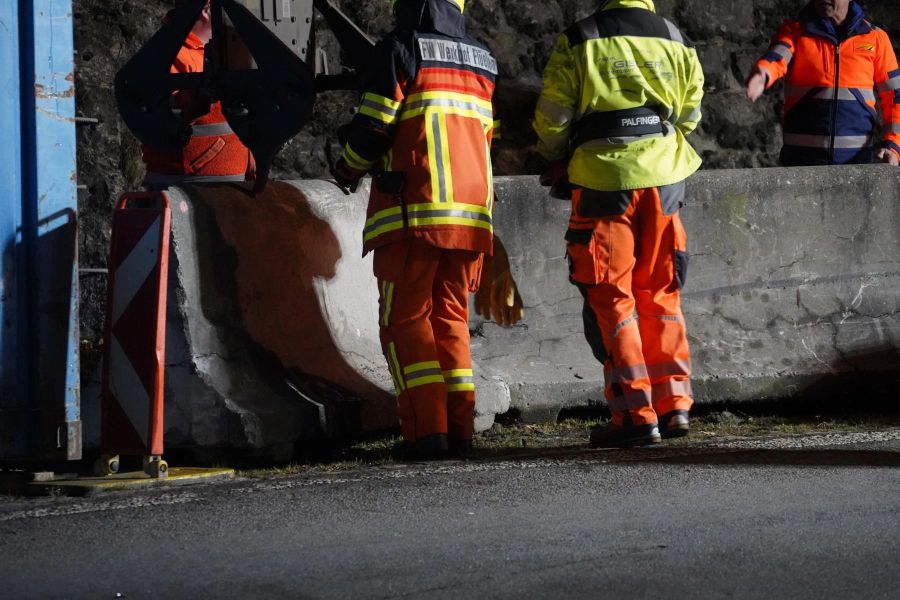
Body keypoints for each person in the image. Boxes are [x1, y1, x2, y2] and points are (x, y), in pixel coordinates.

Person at [331, 0, 508, 460]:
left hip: (415, 213)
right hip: (470, 219)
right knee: (451, 321)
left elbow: (374, 126)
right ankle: (460, 429)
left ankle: (426, 432)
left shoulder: (403, 49)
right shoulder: (484, 60)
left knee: (405, 322)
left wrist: (347, 168)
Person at [533, 0, 703, 447]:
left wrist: (554, 157)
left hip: (604, 179)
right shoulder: (674, 36)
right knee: (662, 293)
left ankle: (635, 418)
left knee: (613, 299)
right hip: (665, 178)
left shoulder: (581, 37)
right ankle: (675, 409)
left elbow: (553, 118)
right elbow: (689, 114)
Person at [746, 0, 900, 167]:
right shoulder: (795, 32)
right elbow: (777, 57)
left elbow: (895, 97)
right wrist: (763, 73)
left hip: (856, 166)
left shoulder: (876, 39)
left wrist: (893, 146)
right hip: (801, 165)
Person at [141, 0, 256, 189]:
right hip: (186, 189)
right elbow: (170, 116)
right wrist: (203, 91)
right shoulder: (171, 54)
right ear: (206, 10)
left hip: (227, 187)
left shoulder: (225, 52)